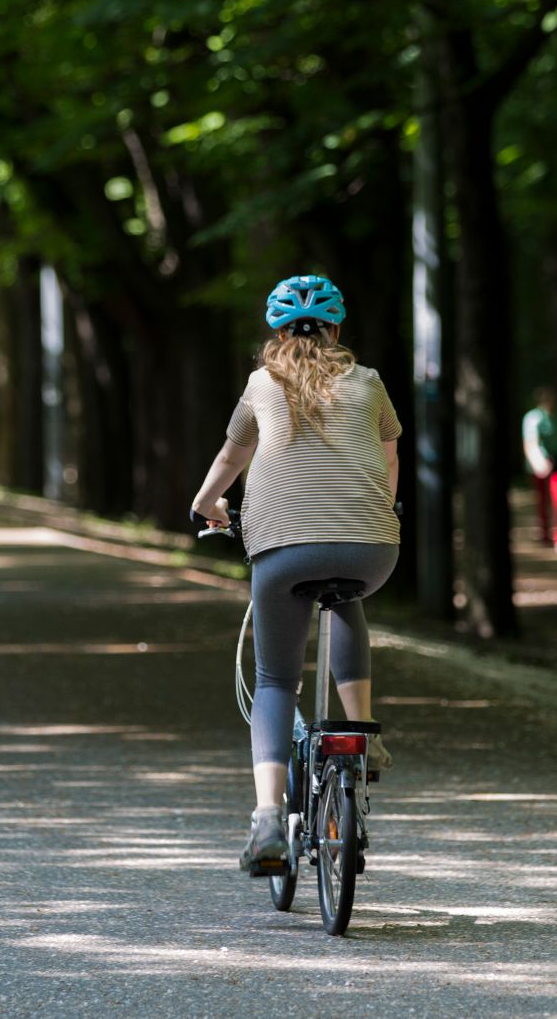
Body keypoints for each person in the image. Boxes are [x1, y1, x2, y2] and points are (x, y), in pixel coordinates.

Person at [191, 274, 402, 874]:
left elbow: (234, 456)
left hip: (284, 549)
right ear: (336, 330)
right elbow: (389, 454)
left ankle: (266, 822)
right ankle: (363, 736)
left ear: (276, 334)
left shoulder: (261, 384)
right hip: (371, 549)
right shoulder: (369, 382)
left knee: (277, 678)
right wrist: (380, 510)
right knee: (345, 597)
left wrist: (207, 505)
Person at [521, 387, 557, 553]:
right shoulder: (532, 418)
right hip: (539, 464)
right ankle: (545, 533)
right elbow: (530, 444)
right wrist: (539, 463)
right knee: (542, 500)